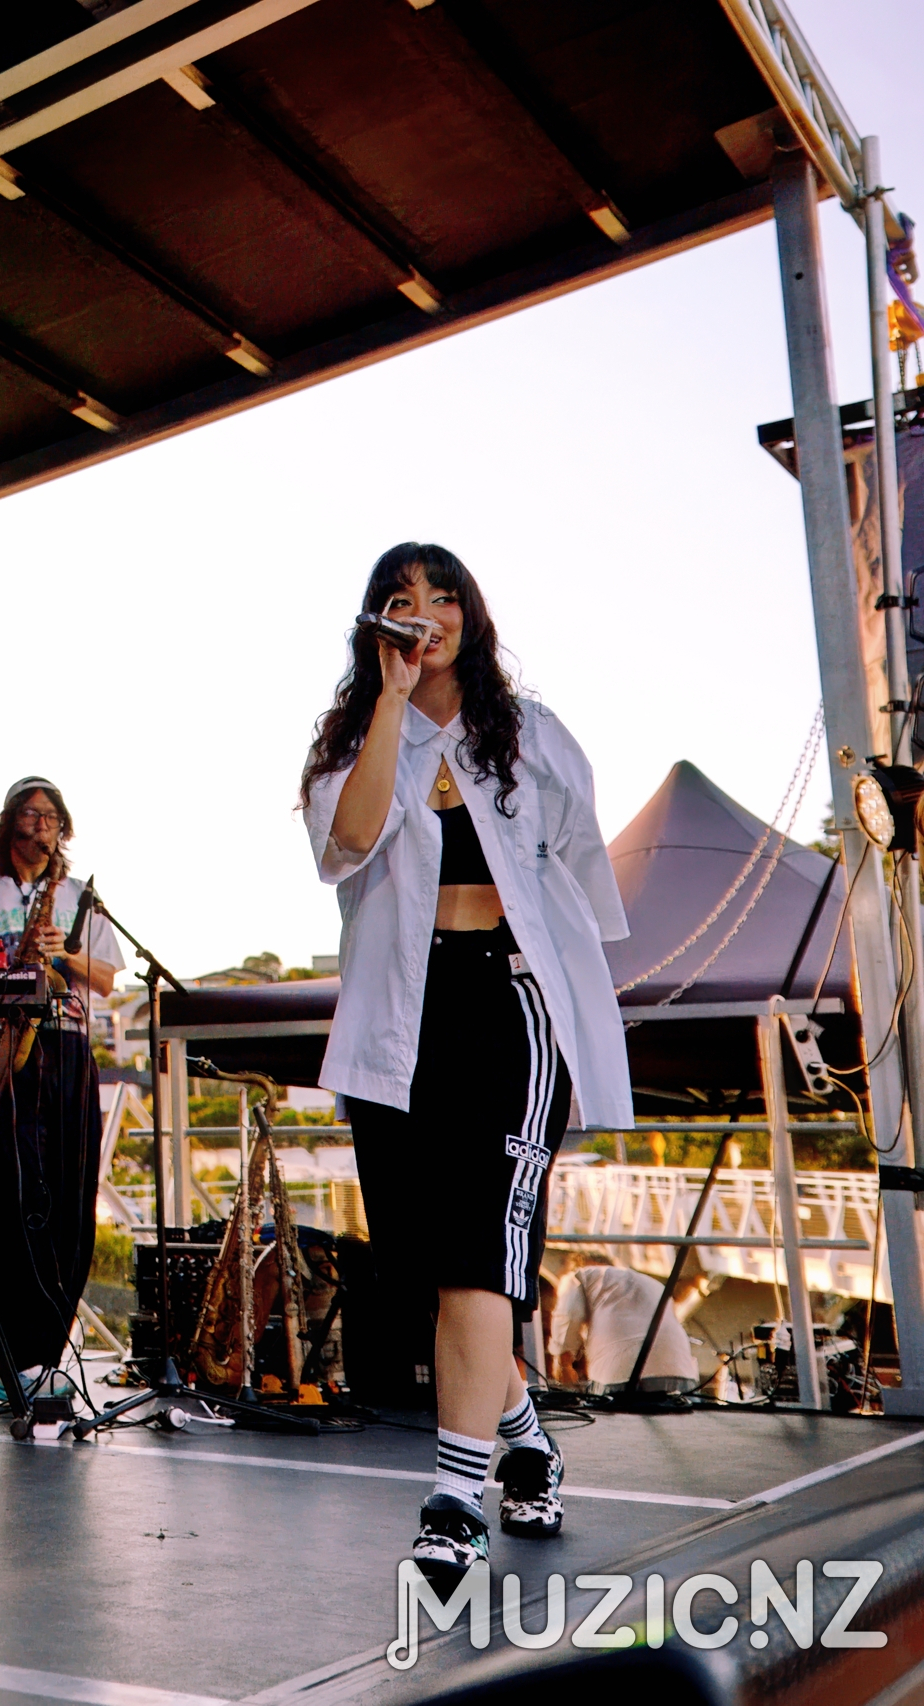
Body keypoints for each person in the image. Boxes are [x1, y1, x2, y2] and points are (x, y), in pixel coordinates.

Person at [299, 543, 631, 1587]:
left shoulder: (530, 733)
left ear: (469, 615)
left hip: (509, 1004)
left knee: (482, 1258)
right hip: (398, 1016)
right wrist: (392, 704)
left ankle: (454, 1499)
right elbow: (347, 844)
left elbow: (579, 866)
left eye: (442, 596)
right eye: (402, 600)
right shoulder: (352, 742)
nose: (425, 614)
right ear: (377, 625)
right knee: (428, 1271)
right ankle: (525, 1438)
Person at [0, 776, 123, 1401]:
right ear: (8, 823)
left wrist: (63, 956)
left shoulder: (81, 898)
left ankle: (47, 1354)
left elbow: (107, 980)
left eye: (51, 816)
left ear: (63, 830)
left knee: (73, 1202)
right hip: (6, 1052)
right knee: (13, 1203)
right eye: (30, 813)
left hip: (68, 1049)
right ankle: (17, 1358)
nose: (41, 823)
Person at [549, 1255, 702, 1391]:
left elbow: (568, 1315)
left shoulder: (577, 1276)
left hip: (622, 1377)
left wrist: (563, 1364)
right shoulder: (651, 1283)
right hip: (682, 1374)